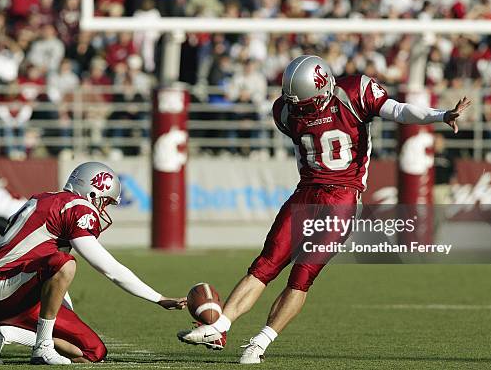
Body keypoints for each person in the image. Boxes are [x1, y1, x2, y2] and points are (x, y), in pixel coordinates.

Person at [177, 55, 471, 363]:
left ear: (324, 86)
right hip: (305, 193)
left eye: (307, 102)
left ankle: (259, 344)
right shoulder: (286, 110)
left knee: (302, 275)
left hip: (342, 198)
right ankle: (220, 326)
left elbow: (398, 110)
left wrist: (439, 115)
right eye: (297, 104)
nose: (302, 109)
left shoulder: (354, 93)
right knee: (264, 265)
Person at [0, 162, 186, 365]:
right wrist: (158, 298)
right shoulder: (77, 207)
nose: (103, 209)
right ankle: (43, 346)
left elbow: (50, 275)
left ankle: (6, 332)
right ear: (92, 193)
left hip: (18, 289)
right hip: (0, 286)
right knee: (65, 263)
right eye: (105, 201)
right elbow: (109, 269)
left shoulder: (46, 199)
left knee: (92, 353)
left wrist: (65, 313)